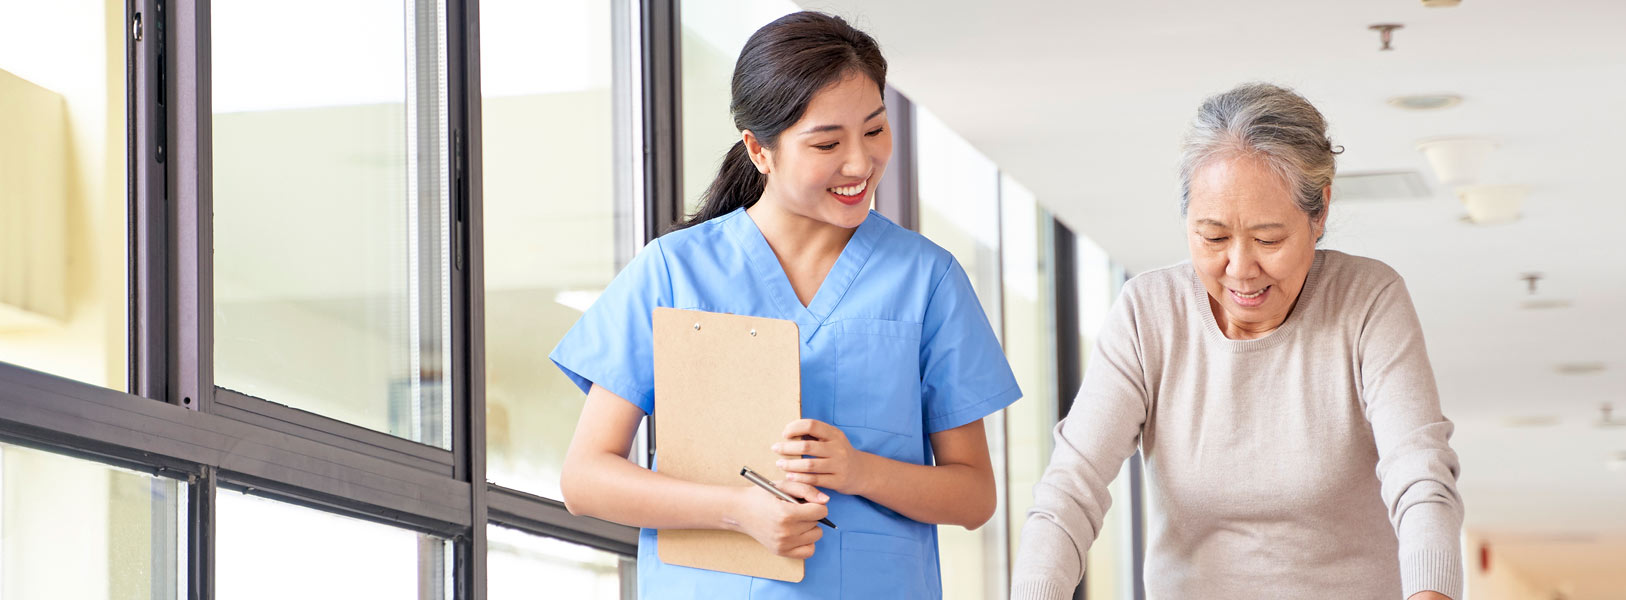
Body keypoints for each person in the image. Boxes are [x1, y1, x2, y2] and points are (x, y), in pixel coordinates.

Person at [553, 11, 1020, 599]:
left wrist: (860, 471)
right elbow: (586, 478)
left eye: (875, 131)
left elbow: (974, 496)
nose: (860, 163)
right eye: (828, 142)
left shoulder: (928, 279)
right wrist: (735, 511)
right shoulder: (675, 271)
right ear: (760, 150)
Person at [1010, 83, 1464, 600]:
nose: (1241, 269)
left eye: (1269, 239)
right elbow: (1071, 489)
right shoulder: (1148, 314)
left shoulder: (1368, 301)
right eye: (1214, 237)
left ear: (1319, 214)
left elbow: (1420, 476)